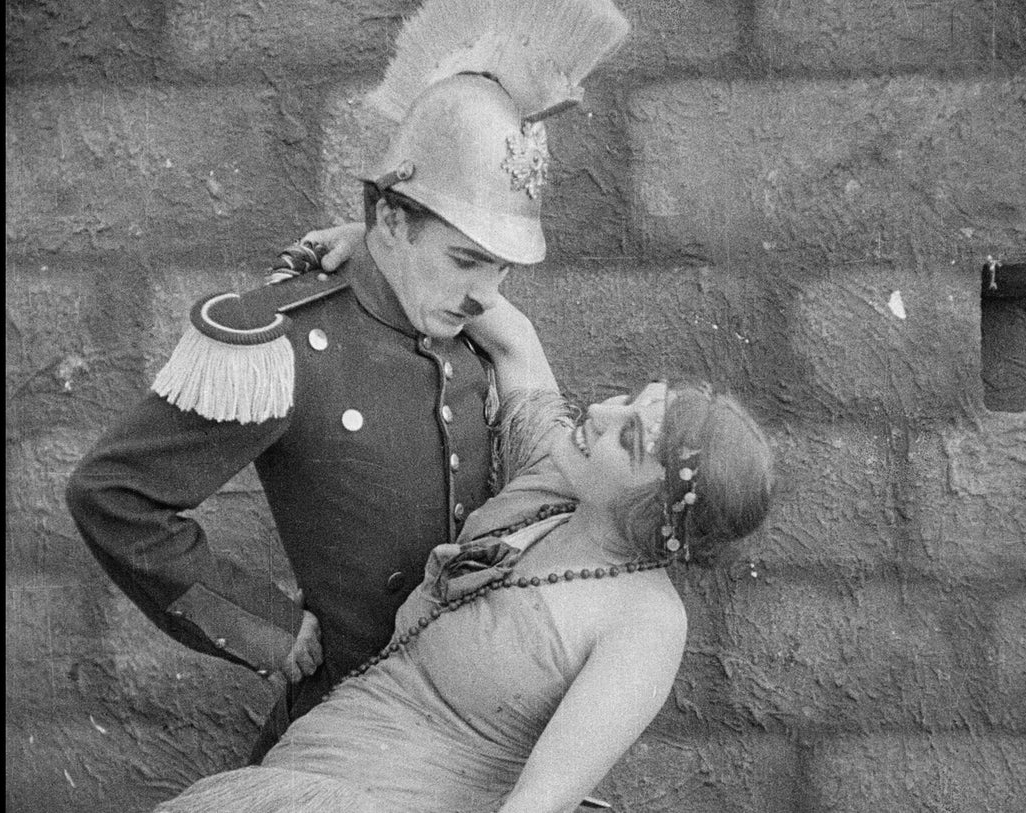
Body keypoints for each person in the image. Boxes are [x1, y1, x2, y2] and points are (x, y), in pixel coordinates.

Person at [65, 0, 632, 765]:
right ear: (391, 220)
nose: (484, 294)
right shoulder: (282, 340)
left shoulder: (467, 321)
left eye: (501, 267)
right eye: (466, 259)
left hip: (478, 726)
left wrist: (387, 255)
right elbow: (114, 495)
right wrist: (264, 626)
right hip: (348, 731)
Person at [149, 286, 776, 813]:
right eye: (629, 400)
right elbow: (513, 339)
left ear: (657, 510)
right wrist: (371, 249)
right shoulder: (553, 483)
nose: (600, 412)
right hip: (292, 776)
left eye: (629, 437)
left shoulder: (646, 624)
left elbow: (538, 804)